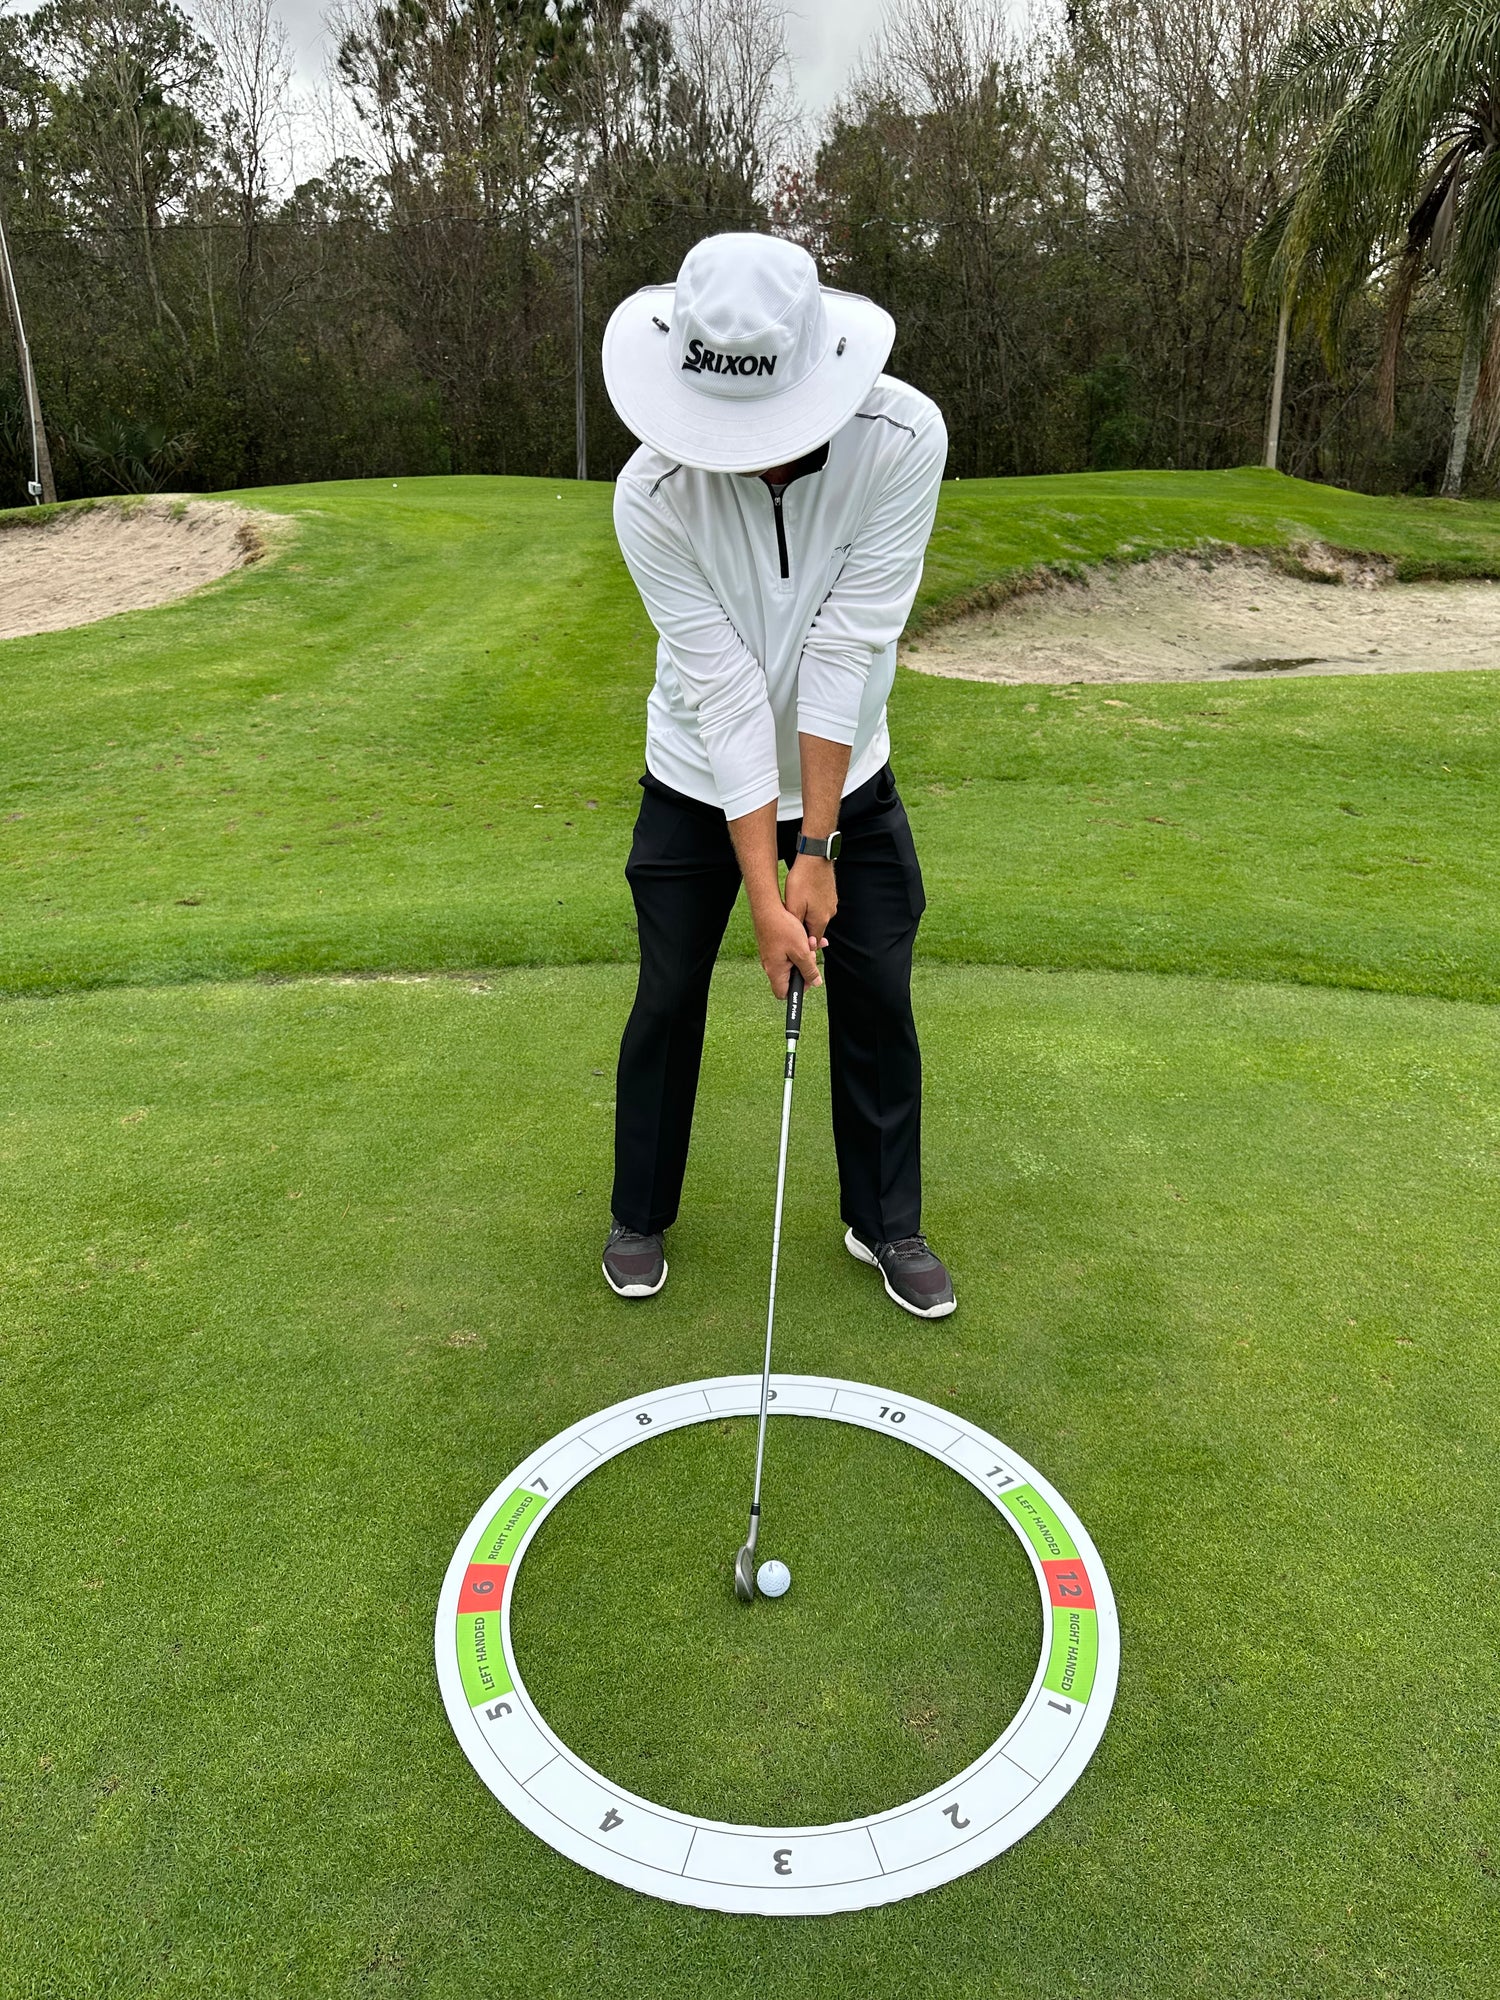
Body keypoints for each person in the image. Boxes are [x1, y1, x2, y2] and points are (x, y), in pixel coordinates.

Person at [598, 231, 955, 1321]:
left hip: (852, 774)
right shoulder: (651, 494)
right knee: (667, 991)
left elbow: (849, 647)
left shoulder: (903, 438)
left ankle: (885, 1217)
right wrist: (768, 892)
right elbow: (728, 695)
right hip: (696, 774)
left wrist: (820, 843)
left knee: (880, 988)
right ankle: (638, 1212)